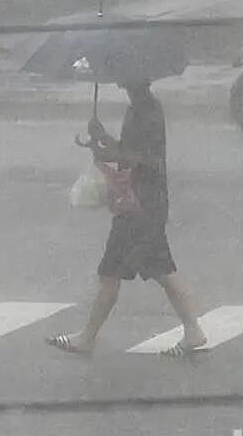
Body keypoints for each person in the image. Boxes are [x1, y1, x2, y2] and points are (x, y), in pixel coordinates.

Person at [46, 80, 207, 358]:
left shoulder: (147, 111)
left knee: (115, 273)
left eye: (124, 73)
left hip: (140, 206)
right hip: (143, 204)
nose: (120, 79)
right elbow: (132, 151)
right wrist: (103, 140)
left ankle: (87, 338)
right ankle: (193, 330)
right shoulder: (139, 108)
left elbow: (150, 159)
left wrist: (113, 152)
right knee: (156, 270)